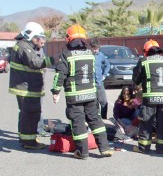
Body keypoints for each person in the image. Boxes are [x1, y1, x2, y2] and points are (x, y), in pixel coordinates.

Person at [51, 24, 113, 159]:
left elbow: (60, 75)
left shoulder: (66, 54)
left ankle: (82, 152)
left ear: (69, 38)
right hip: (91, 93)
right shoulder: (90, 52)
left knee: (78, 122)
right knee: (95, 120)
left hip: (75, 96)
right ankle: (105, 148)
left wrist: (55, 92)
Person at [8, 21, 55, 149]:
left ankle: (26, 138)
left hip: (28, 87)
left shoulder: (25, 46)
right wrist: (54, 60)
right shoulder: (24, 47)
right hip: (26, 88)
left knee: (27, 114)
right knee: (30, 114)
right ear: (31, 36)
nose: (41, 41)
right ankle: (29, 142)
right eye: (39, 38)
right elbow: (35, 62)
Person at [132, 39, 163, 154]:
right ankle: (161, 148)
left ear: (146, 51)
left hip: (149, 98)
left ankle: (143, 147)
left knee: (146, 122)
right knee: (162, 123)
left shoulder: (144, 61)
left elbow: (136, 79)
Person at [90, 39, 111, 119]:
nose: (96, 50)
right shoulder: (88, 55)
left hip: (99, 83)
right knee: (94, 104)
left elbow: (107, 65)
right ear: (91, 47)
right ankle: (96, 121)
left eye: (97, 48)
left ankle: (104, 119)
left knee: (104, 102)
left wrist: (104, 75)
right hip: (90, 84)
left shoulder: (101, 55)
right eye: (94, 48)